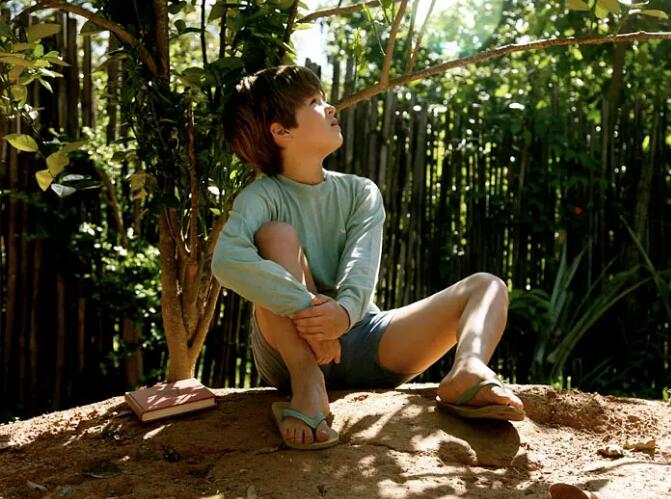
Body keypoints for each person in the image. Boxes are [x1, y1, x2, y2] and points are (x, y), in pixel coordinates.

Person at [212, 65, 525, 450]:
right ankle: (307, 381)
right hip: (289, 347)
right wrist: (310, 313)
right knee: (275, 236)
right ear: (281, 131)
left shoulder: (360, 192)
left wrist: (342, 316)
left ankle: (468, 370)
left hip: (361, 337)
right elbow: (226, 261)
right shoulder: (260, 197)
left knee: (487, 286)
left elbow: (360, 272)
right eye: (314, 102)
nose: (330, 108)